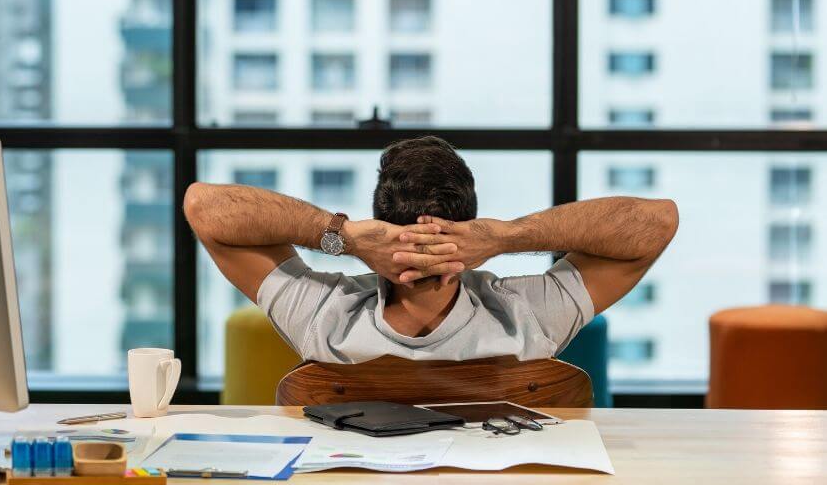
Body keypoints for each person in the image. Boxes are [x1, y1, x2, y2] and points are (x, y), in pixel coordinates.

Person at [183, 136, 678, 363]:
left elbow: (202, 206)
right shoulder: (528, 317)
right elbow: (659, 222)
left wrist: (343, 235)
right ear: (470, 229)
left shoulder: (321, 318)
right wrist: (507, 236)